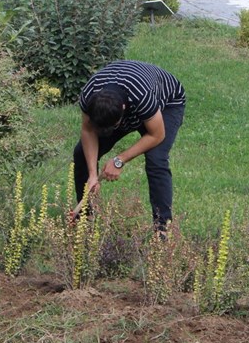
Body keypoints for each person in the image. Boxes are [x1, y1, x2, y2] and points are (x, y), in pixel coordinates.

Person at [73, 60, 186, 230]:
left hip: (167, 102)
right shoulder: (90, 94)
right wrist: (92, 175)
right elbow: (88, 131)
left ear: (123, 110)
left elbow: (156, 135)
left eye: (113, 126)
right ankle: (84, 221)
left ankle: (162, 231)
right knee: (81, 153)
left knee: (156, 159)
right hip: (121, 105)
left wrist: (119, 160)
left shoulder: (141, 95)